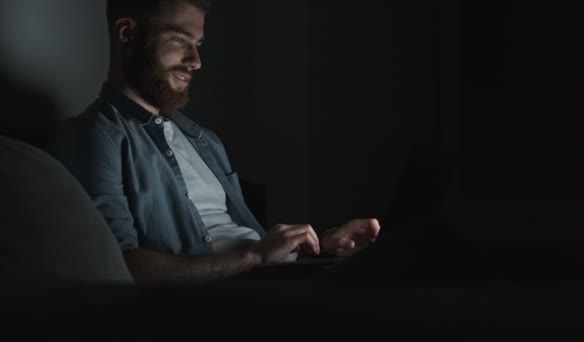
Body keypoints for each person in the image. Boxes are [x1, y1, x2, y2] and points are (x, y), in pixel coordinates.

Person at [48, 0, 380, 284]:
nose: (196, 60)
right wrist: (255, 257)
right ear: (126, 33)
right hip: (227, 303)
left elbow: (247, 245)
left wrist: (319, 248)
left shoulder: (203, 140)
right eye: (180, 38)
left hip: (275, 282)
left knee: (399, 251)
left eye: (198, 44)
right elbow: (118, 266)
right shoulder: (96, 136)